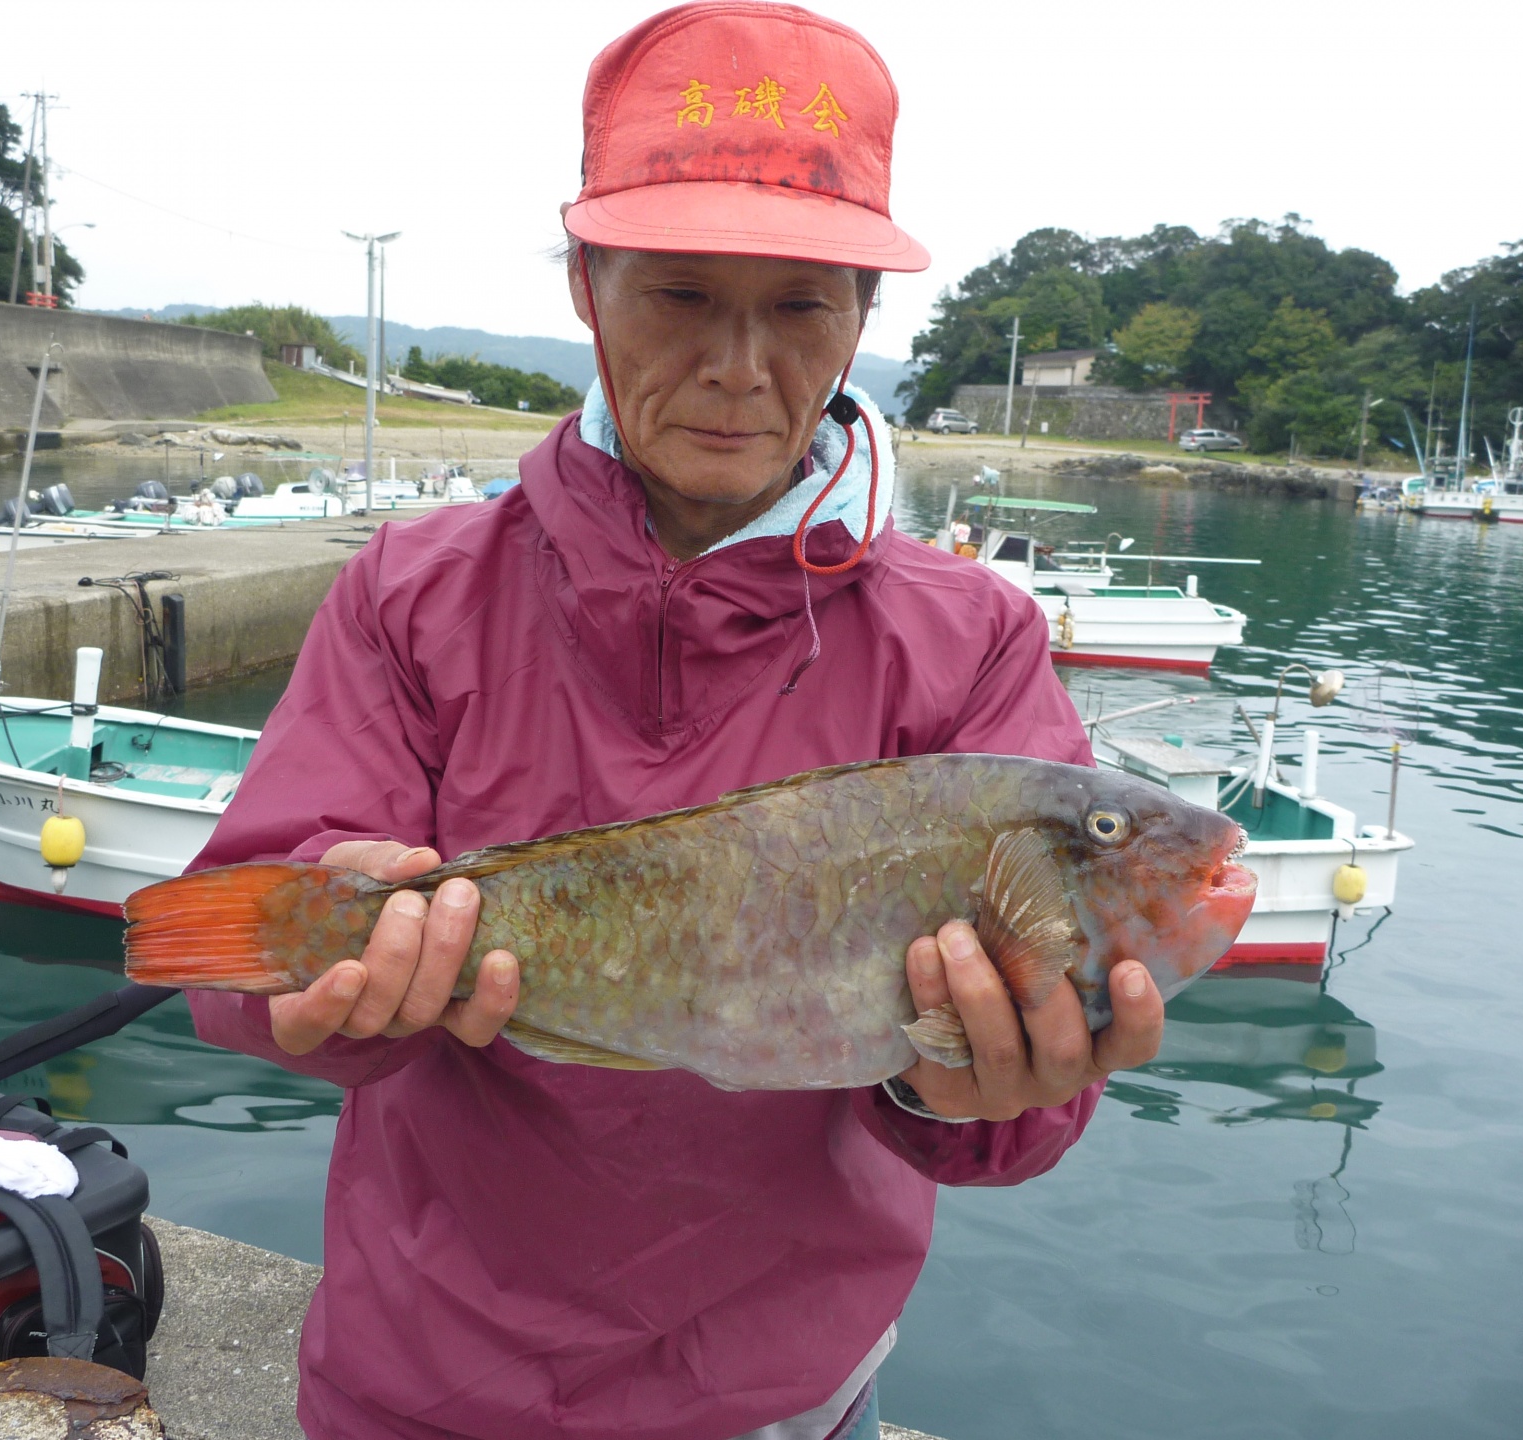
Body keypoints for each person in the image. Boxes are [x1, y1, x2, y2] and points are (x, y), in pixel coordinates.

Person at [187, 5, 1165, 1437]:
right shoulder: (412, 590)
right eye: (682, 295)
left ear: (862, 319)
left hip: (783, 1390)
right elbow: (233, 952)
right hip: (423, 1370)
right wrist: (326, 977)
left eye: (802, 306)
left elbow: (1023, 1105)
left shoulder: (972, 640)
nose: (738, 365)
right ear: (588, 288)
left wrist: (975, 1087)